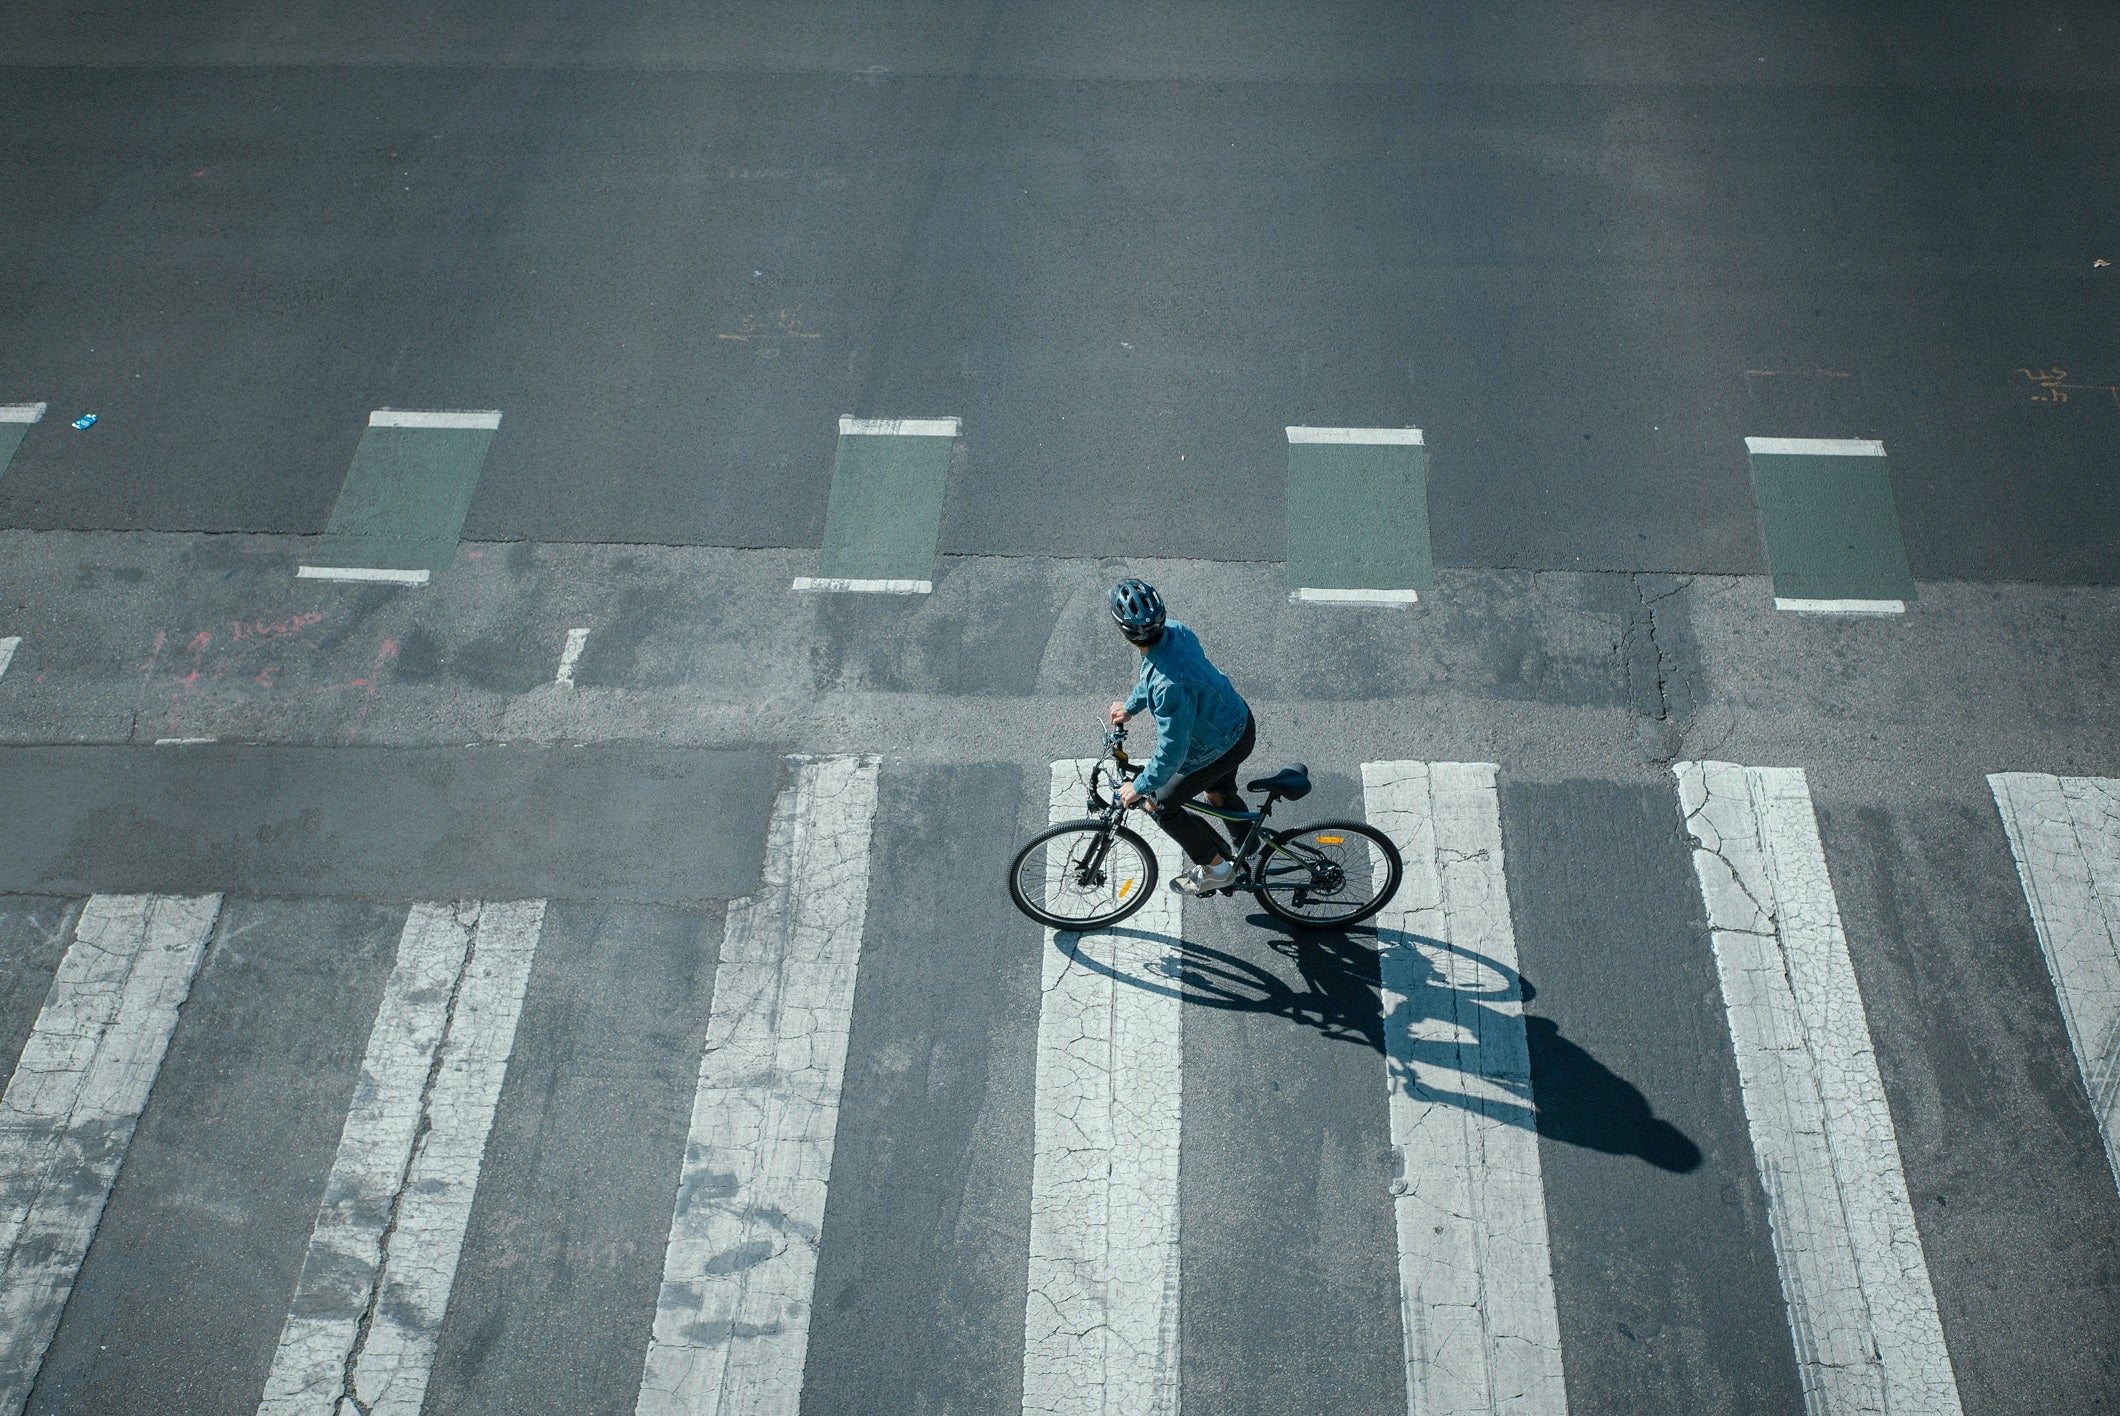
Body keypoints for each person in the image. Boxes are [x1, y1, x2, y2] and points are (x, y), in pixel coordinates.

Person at [1105, 578, 1256, 896]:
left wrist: (1141, 786)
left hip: (1218, 745)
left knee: (1160, 805)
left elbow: (1173, 751)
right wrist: (1131, 707)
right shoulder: (1175, 631)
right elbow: (1156, 673)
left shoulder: (1169, 686)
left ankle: (1217, 870)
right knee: (1218, 794)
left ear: (1124, 632)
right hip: (1236, 722)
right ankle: (1249, 846)